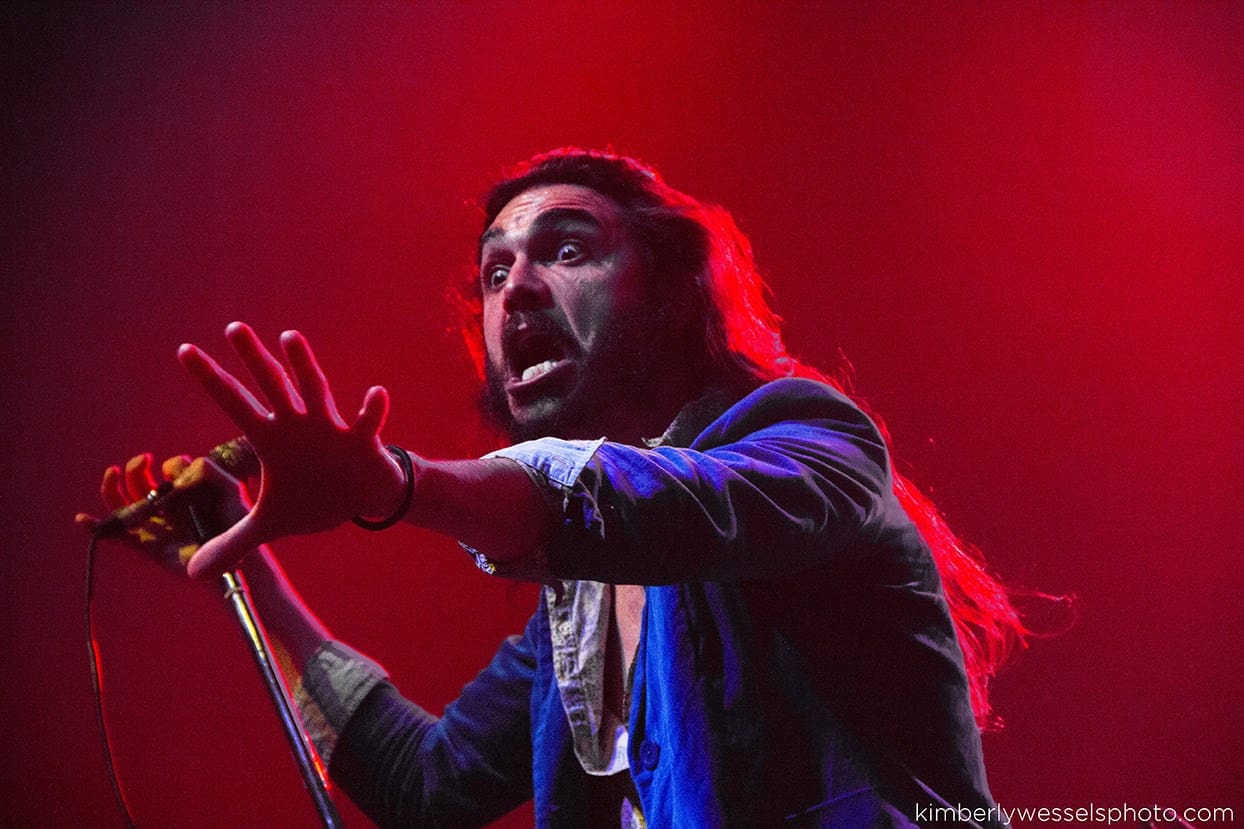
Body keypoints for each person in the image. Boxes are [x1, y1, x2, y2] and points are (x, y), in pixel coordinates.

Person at [86, 149, 1025, 827]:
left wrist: (395, 484)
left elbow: (661, 506)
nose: (517, 291)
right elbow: (428, 783)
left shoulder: (810, 440)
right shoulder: (583, 609)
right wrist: (246, 567)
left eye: (568, 251)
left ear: (669, 290)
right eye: (495, 271)